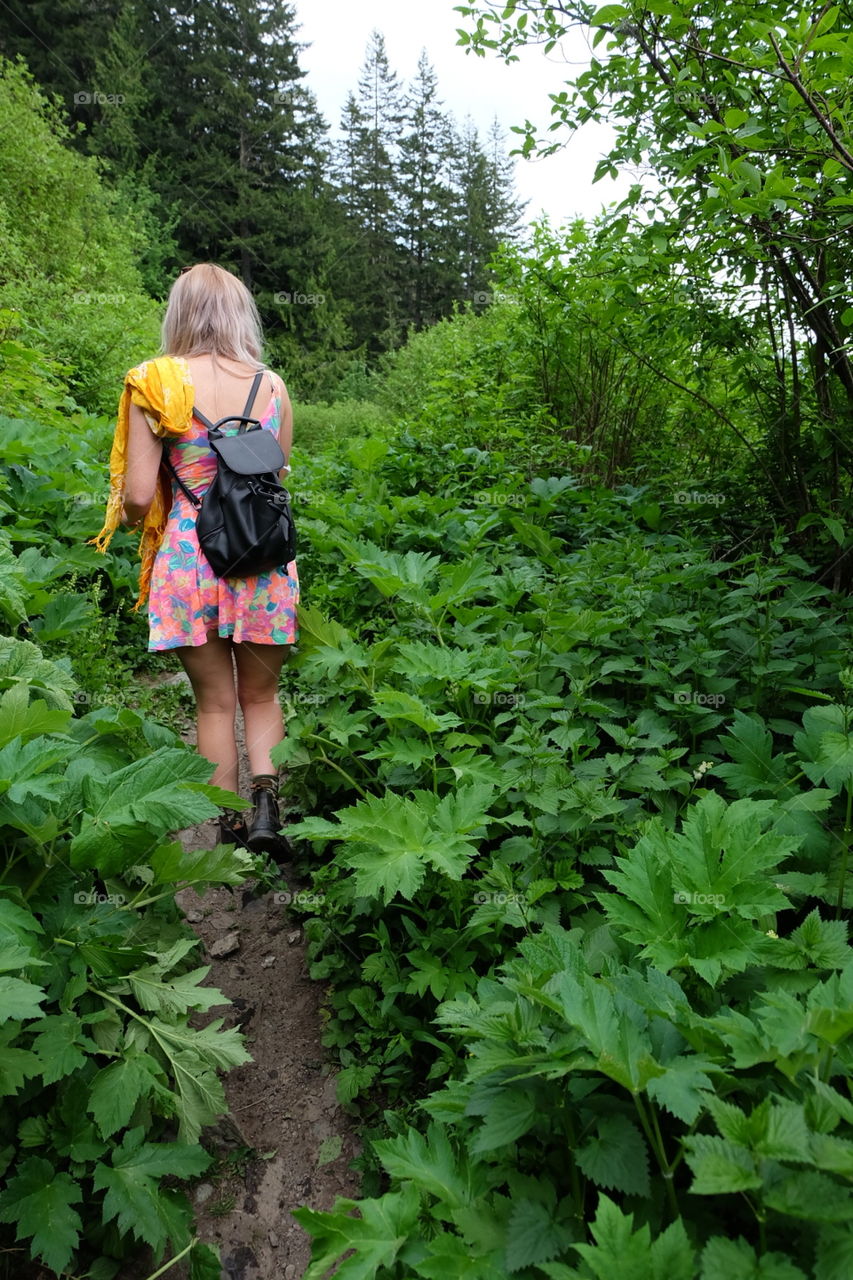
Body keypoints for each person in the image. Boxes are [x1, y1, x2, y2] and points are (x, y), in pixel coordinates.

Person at [90, 263, 298, 858]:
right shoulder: (272, 385)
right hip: (260, 556)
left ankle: (228, 832)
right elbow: (274, 475)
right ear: (240, 314)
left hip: (188, 557)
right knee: (261, 696)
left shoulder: (153, 382)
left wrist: (144, 519)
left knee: (214, 702)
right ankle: (266, 809)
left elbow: (133, 496)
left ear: (178, 313)